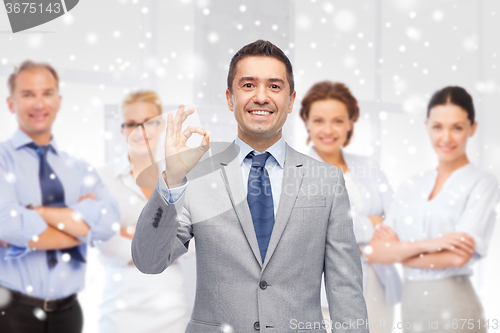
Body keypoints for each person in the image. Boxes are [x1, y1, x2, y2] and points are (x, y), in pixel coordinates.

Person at [131, 40, 369, 332]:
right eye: (248, 85)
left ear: (291, 100)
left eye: (274, 86)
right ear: (230, 99)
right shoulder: (197, 176)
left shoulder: (327, 180)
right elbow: (149, 260)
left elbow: (346, 290)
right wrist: (173, 179)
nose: (261, 97)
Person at [366, 86, 500, 333]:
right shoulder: (411, 186)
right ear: (427, 126)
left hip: (455, 304)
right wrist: (431, 245)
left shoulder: (482, 183)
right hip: (413, 306)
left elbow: (458, 256)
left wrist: (396, 251)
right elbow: (374, 252)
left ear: (473, 128)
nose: (446, 138)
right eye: (438, 127)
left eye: (457, 128)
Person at [0, 60, 119, 333]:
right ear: (11, 103)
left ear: (59, 100)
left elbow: (108, 223)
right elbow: (7, 225)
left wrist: (35, 212)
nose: (39, 103)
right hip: (12, 314)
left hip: (69, 314)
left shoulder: (79, 168)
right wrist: (80, 223)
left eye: (47, 93)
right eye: (28, 94)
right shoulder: (2, 161)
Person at [299, 81, 401, 333]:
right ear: (307, 122)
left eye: (338, 120)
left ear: (350, 123)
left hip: (379, 283)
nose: (328, 130)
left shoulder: (369, 166)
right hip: (324, 291)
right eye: (319, 120)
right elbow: (311, 232)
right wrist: (372, 223)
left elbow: (399, 221)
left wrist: (355, 231)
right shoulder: (297, 172)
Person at [96, 90, 189, 333]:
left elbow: (191, 240)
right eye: (131, 124)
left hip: (172, 308)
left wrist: (135, 234)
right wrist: (162, 239)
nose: (140, 131)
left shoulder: (177, 176)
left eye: (148, 123)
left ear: (160, 126)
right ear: (122, 129)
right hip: (121, 310)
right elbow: (107, 244)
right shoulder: (103, 178)